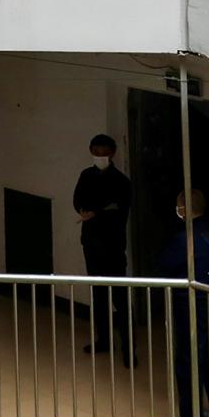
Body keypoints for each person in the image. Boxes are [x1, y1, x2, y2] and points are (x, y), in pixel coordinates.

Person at [155, 188, 209, 417]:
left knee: (189, 358)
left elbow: (164, 266)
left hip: (191, 303)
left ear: (183, 209)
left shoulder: (184, 238)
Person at [74, 133, 134, 362]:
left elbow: (118, 212)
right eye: (96, 153)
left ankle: (129, 348)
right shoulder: (86, 175)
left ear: (112, 154)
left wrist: (95, 213)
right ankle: (103, 340)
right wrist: (82, 210)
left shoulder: (121, 182)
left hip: (113, 247)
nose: (99, 157)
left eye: (103, 154)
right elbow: (77, 199)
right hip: (91, 245)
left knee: (120, 297)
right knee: (98, 295)